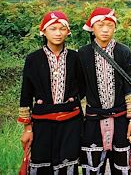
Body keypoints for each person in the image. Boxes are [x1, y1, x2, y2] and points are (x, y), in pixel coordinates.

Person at [18, 11, 83, 174]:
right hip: (42, 123)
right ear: (43, 31)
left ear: (68, 32)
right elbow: (26, 93)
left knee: (68, 163)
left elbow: (82, 87)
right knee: (41, 163)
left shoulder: (75, 58)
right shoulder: (33, 59)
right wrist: (27, 128)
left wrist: (69, 102)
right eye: (53, 28)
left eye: (62, 29)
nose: (58, 33)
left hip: (70, 121)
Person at [79, 7, 131, 174]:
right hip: (92, 121)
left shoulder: (123, 52)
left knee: (121, 168)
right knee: (92, 168)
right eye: (100, 25)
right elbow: (78, 90)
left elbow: (130, 88)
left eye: (109, 25)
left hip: (121, 120)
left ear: (115, 27)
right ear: (92, 28)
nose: (105, 29)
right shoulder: (82, 54)